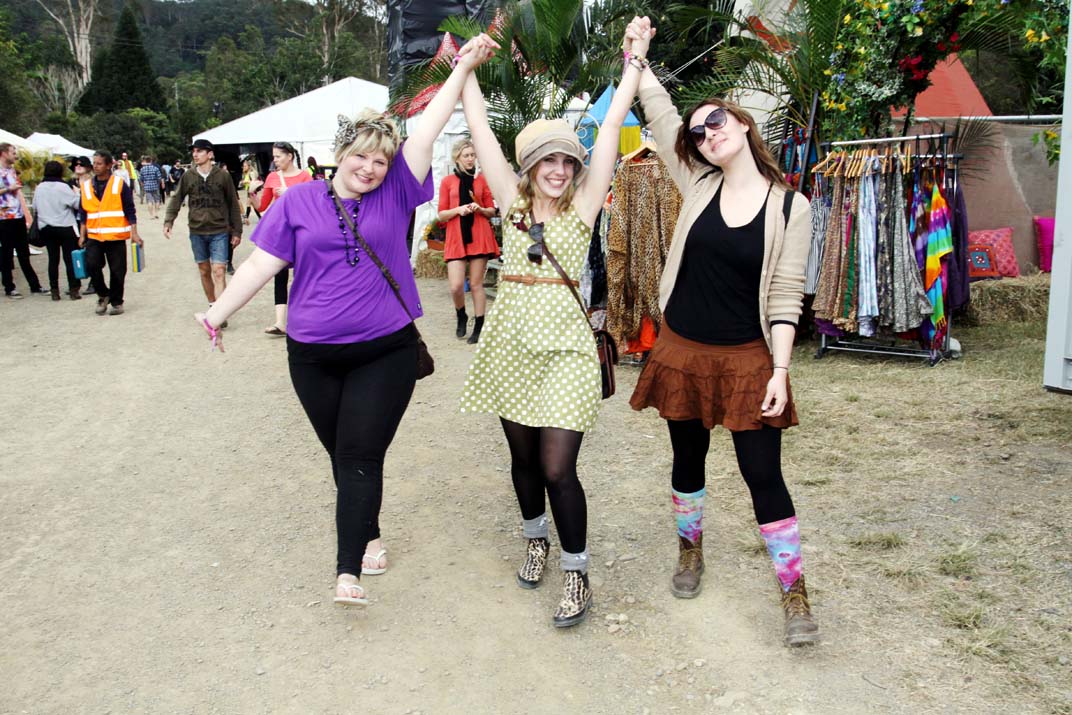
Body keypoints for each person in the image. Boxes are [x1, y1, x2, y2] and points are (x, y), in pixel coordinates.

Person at [192, 34, 494, 609]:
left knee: (359, 453)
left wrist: (460, 69)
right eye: (361, 156)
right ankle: (370, 530)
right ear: (339, 154)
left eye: (380, 160)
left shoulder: (398, 190)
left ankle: (347, 570)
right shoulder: (297, 203)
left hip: (386, 350)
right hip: (311, 355)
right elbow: (260, 265)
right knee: (342, 452)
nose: (371, 167)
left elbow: (428, 126)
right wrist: (216, 314)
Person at [623, 17, 819, 645]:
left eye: (717, 123)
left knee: (764, 474)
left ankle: (794, 592)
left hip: (748, 357)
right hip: (682, 348)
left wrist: (782, 373)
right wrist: (641, 58)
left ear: (744, 126)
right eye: (698, 130)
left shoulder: (792, 206)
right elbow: (658, 113)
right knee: (687, 457)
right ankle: (690, 551)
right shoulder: (697, 182)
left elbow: (788, 294)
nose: (706, 134)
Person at [456, 25, 648, 627]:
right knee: (523, 460)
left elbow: (613, 124)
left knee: (559, 466)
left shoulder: (586, 203)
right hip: (511, 343)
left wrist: (634, 62)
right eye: (549, 161)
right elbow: (482, 129)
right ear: (531, 166)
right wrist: (467, 69)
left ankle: (576, 571)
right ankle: (534, 536)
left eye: (568, 160)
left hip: (566, 350)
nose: (560, 170)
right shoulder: (511, 204)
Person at [164, 139, 243, 318]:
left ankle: (220, 314)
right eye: (194, 151)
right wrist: (169, 221)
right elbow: (177, 199)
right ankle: (213, 304)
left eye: (199, 151)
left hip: (219, 230)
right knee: (204, 270)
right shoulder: (188, 176)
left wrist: (236, 231)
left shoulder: (223, 176)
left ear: (210, 154)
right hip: (197, 231)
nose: (195, 154)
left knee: (219, 270)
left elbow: (232, 203)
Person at [437, 138, 499, 344]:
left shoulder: (482, 180)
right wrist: (458, 210)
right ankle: (461, 314)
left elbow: (492, 210)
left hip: (479, 235)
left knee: (476, 284)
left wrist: (479, 208)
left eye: (473, 155)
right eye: (466, 155)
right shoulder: (448, 182)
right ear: (457, 157)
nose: (471, 159)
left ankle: (479, 325)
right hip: (456, 236)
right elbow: (441, 215)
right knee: (455, 286)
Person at [79, 150, 143, 315]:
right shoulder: (86, 187)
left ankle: (116, 301)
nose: (95, 166)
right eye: (94, 163)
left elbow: (130, 210)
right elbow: (83, 213)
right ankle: (103, 294)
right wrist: (82, 234)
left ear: (109, 165)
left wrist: (134, 232)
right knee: (92, 265)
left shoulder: (119, 184)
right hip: (94, 235)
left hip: (115, 236)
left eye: (99, 163)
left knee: (117, 270)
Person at [257, 141, 312, 336]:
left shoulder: (305, 176)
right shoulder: (272, 177)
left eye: (278, 156)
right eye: (274, 156)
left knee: (303, 275)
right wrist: (253, 192)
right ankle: (280, 322)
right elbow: (262, 206)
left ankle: (303, 319)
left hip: (302, 232)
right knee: (279, 275)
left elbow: (312, 203)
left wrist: (291, 193)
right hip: (281, 232)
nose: (275, 160)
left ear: (290, 156)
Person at [0, 142, 46, 298]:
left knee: (23, 253)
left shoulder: (12, 170)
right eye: (13, 152)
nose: (16, 155)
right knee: (6, 254)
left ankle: (35, 285)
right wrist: (8, 189)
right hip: (4, 218)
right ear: (4, 153)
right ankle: (9, 287)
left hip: (18, 216)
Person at [31, 160, 82, 300]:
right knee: (69, 259)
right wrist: (77, 193)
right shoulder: (63, 187)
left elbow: (35, 207)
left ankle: (54, 290)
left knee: (53, 260)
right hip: (65, 226)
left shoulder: (40, 188)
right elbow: (76, 204)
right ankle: (74, 289)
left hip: (47, 227)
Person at [138, 155, 164, 220]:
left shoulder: (142, 169)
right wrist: (159, 183)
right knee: (157, 200)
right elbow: (159, 177)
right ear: (151, 161)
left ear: (145, 161)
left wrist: (143, 184)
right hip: (155, 185)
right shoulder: (155, 168)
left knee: (149, 201)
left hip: (147, 186)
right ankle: (156, 213)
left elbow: (140, 179)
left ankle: (151, 215)